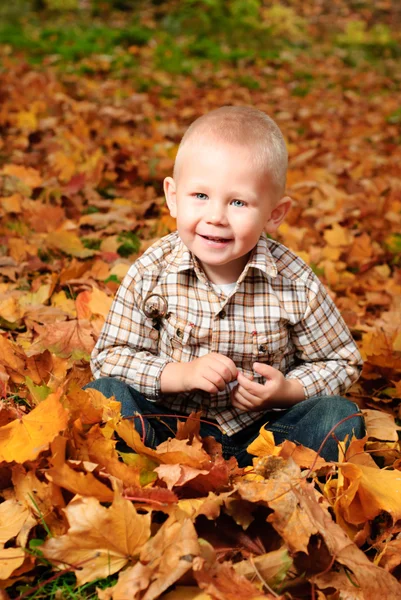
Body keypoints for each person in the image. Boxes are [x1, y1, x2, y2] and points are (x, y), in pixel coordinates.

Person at [87, 105, 365, 466]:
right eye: (200, 196)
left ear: (274, 213)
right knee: (104, 395)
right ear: (173, 196)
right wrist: (179, 374)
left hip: (265, 434)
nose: (216, 217)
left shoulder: (294, 282)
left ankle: (273, 484)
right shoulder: (152, 271)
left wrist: (286, 391)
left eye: (238, 202)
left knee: (339, 418)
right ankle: (147, 470)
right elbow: (109, 358)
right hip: (167, 428)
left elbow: (342, 361)